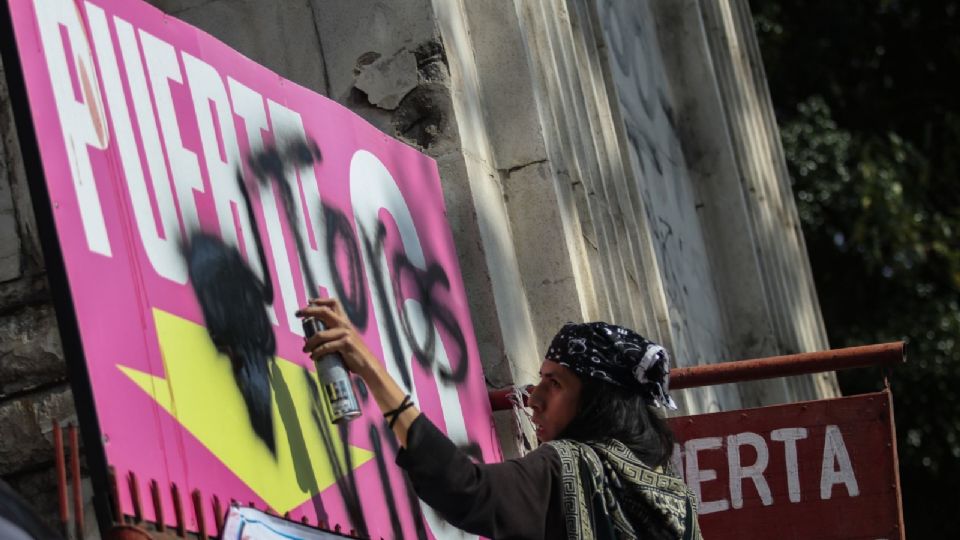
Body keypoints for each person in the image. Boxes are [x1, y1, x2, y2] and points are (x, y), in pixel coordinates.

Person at [298, 298, 702, 540]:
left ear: (597, 402)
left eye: (555, 383)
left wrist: (372, 371)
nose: (534, 400)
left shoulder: (574, 468)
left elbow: (465, 489)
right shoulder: (679, 506)